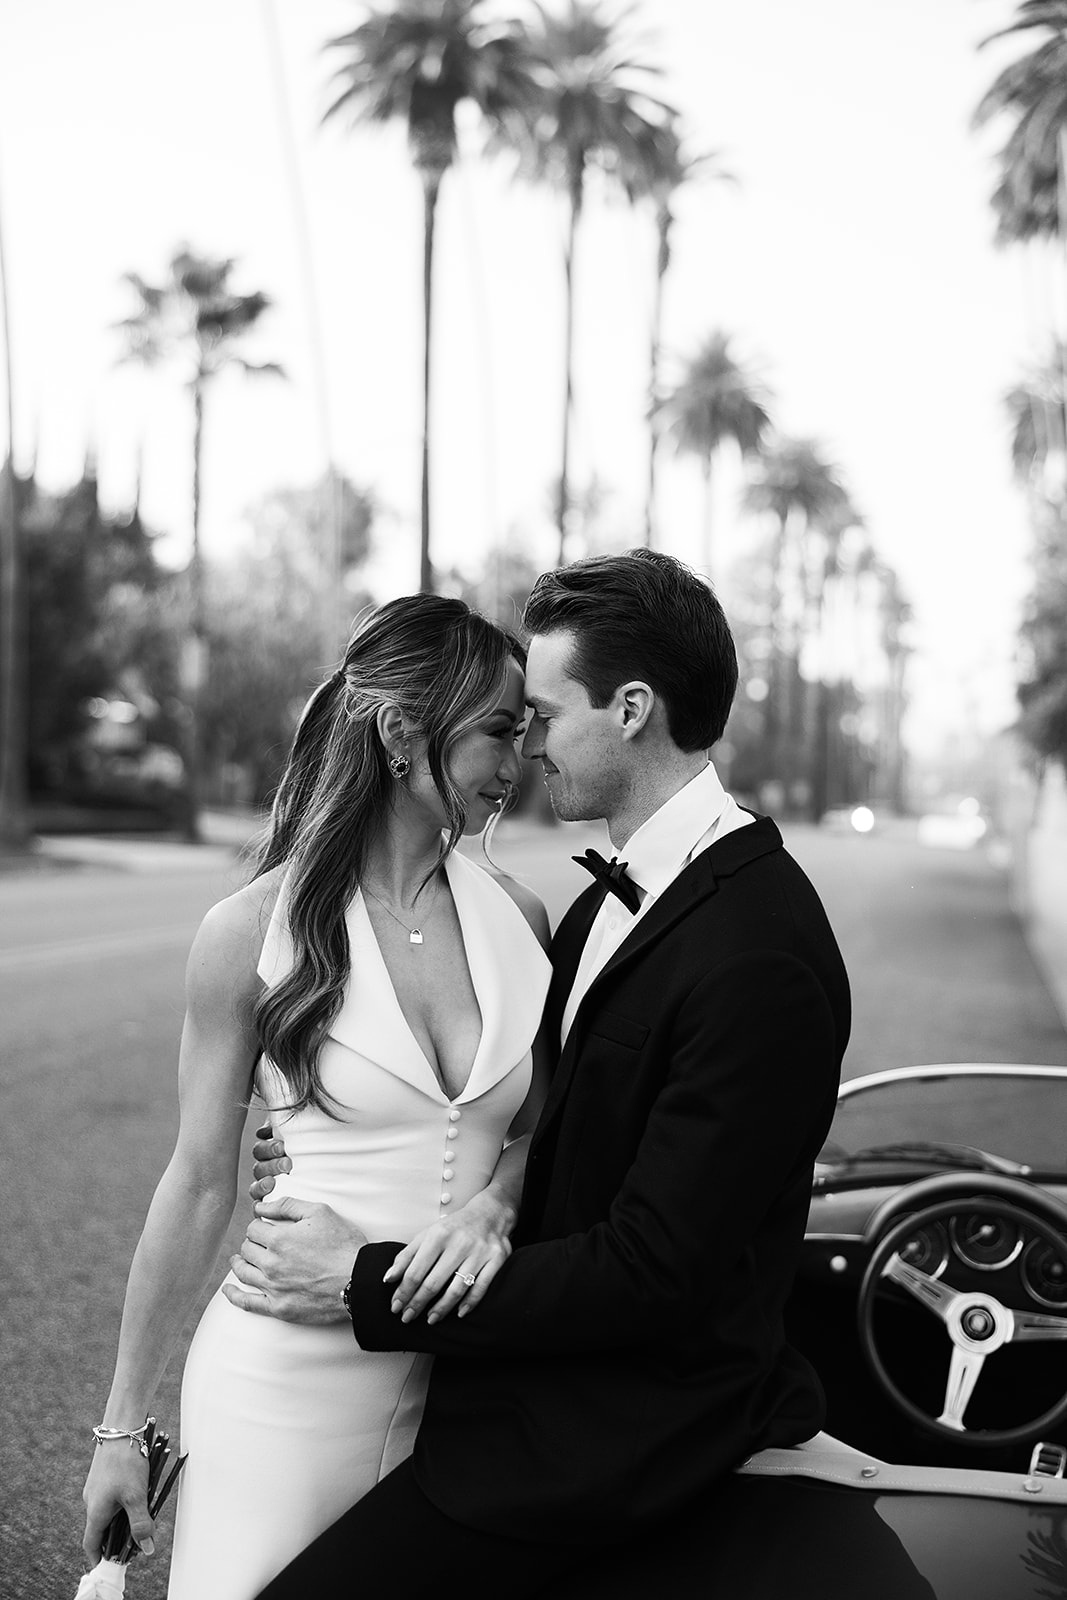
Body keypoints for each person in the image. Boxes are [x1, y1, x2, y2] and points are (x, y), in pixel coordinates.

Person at [226, 549, 852, 1599]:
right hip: (510, 1385)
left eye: (545, 717)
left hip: (606, 1439)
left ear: (632, 709)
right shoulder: (608, 901)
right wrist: (491, 1196)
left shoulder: (759, 948)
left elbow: (657, 1271)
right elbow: (555, 1112)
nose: (525, 749)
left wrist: (358, 1278)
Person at [80, 595, 552, 1599]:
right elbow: (201, 1182)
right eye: (499, 730)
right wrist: (121, 1426)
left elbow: (533, 1130)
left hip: (456, 1389)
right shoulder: (248, 929)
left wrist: (491, 1203)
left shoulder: (522, 918)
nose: (520, 761)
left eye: (526, 730)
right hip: (280, 1389)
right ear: (399, 732)